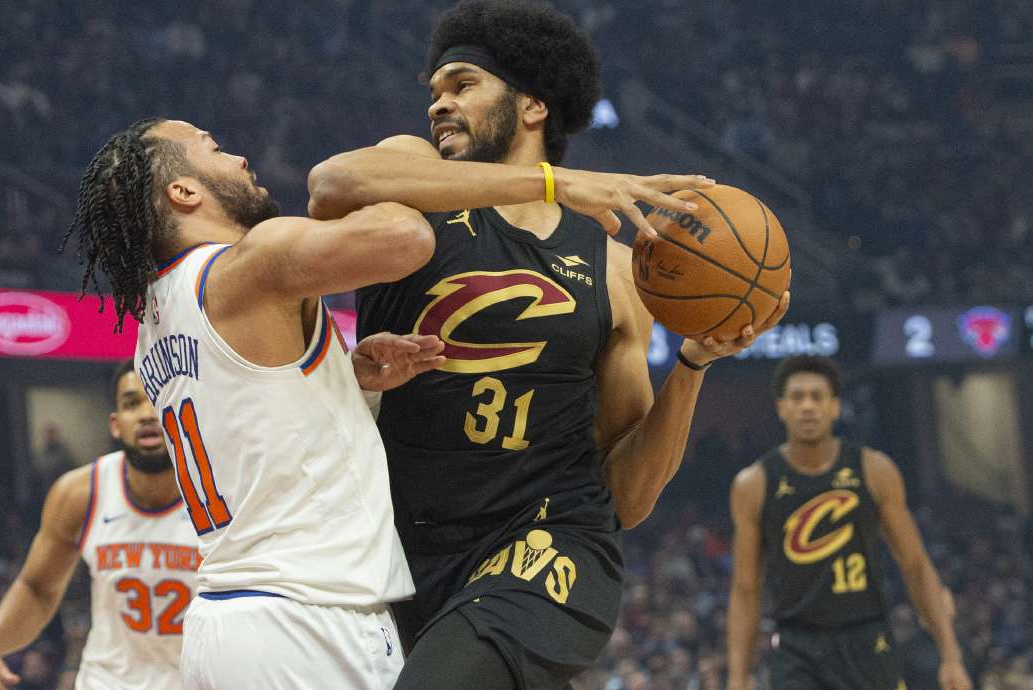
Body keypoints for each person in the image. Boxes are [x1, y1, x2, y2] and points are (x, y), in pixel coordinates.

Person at [306, 1, 790, 687]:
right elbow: (330, 186)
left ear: (533, 105)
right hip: (403, 545)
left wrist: (694, 364)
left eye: (463, 85)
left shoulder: (616, 271)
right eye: (435, 92)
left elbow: (627, 497)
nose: (439, 105)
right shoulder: (411, 175)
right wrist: (555, 182)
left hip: (547, 540)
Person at [60, 117, 447, 689]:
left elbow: (260, 430)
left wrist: (348, 380)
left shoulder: (154, 321)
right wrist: (381, 170)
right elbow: (407, 237)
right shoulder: (250, 263)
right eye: (214, 149)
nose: (240, 159)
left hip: (226, 620)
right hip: (307, 622)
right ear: (183, 191)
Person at [726, 355, 972, 690]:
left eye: (817, 397)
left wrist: (951, 655)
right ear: (781, 408)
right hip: (796, 645)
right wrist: (738, 677)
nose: (807, 407)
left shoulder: (875, 470)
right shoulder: (753, 484)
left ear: (835, 407)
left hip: (867, 635)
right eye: (797, 397)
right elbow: (745, 588)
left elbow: (915, 565)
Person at [0, 362, 197, 690]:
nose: (147, 414)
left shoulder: (223, 492)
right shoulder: (80, 493)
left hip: (197, 679)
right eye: (132, 403)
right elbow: (37, 588)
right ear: (115, 424)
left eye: (159, 399)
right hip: (109, 681)